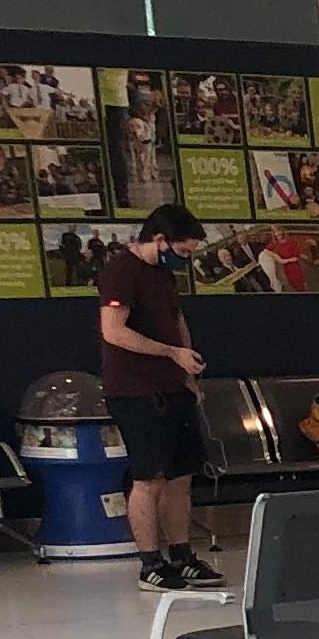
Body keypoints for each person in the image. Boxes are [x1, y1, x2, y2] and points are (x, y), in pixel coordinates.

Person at [95, 202, 219, 590]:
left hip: (173, 386)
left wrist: (186, 370)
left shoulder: (163, 276)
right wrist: (170, 353)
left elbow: (176, 319)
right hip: (136, 391)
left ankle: (182, 556)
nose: (184, 260)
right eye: (182, 252)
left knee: (181, 476)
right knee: (149, 479)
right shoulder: (122, 272)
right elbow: (113, 331)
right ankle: (150, 562)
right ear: (160, 240)